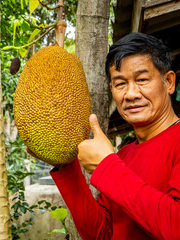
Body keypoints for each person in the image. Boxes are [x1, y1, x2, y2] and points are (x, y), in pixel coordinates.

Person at [29, 32, 180, 239]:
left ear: (169, 82)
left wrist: (107, 167)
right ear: (112, 89)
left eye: (142, 79)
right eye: (120, 84)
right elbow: (101, 234)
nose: (131, 94)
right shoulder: (124, 155)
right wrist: (66, 166)